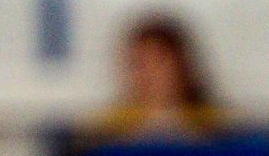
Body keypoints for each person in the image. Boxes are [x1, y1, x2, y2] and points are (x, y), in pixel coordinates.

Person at [89, 15, 220, 141]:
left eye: (158, 62)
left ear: (182, 67)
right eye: (139, 64)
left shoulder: (216, 130)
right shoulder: (106, 135)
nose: (148, 74)